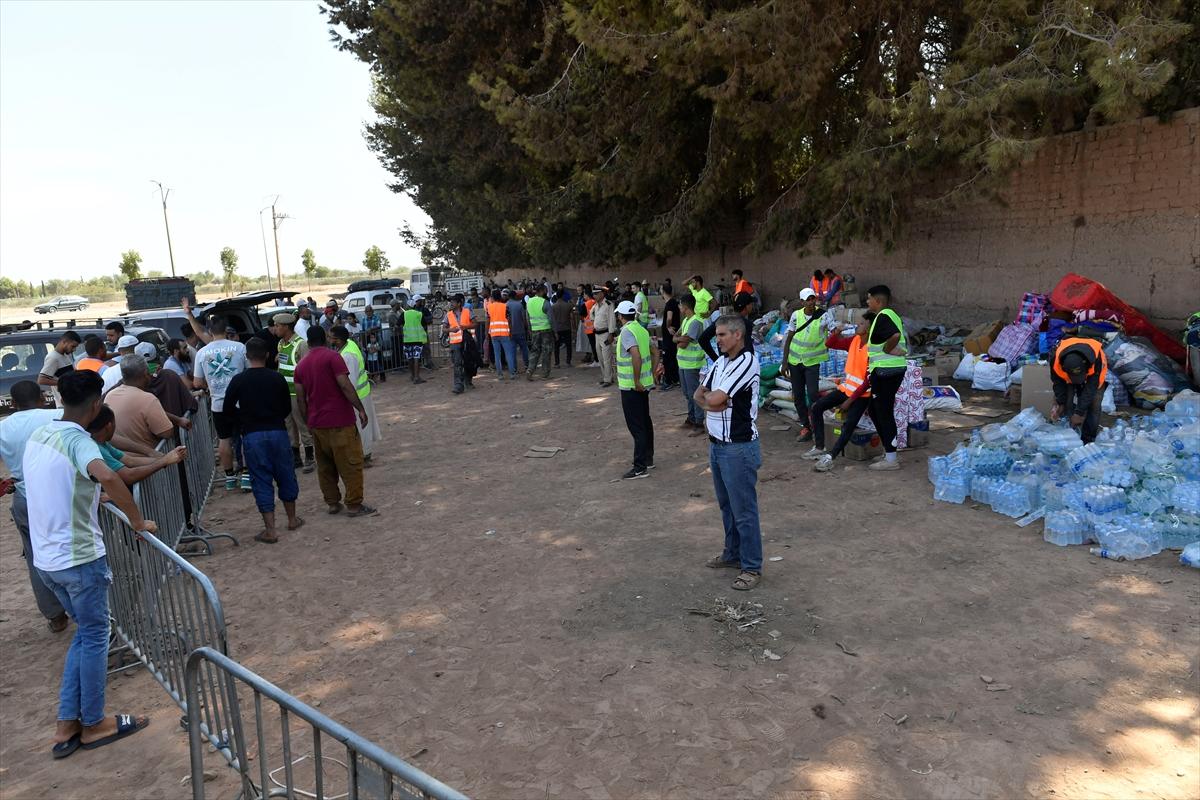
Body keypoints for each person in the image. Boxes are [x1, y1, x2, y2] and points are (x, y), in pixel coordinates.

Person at [24, 369, 154, 757]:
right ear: (97, 404)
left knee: (85, 636)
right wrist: (136, 519)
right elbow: (109, 477)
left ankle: (67, 724)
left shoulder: (41, 434)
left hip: (48, 559)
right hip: (78, 559)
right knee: (96, 636)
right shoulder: (80, 442)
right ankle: (94, 722)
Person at [694, 315, 763, 592]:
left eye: (722, 335)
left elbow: (713, 397)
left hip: (738, 447)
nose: (717, 340)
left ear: (738, 335)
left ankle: (752, 566)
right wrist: (714, 403)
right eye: (717, 335)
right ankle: (732, 554)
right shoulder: (721, 362)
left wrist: (715, 401)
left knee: (744, 510)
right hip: (717, 445)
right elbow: (701, 394)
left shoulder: (747, 362)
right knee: (727, 506)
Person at [0, 380, 68, 632]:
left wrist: (7, 482)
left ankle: (55, 615)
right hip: (61, 495)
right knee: (73, 549)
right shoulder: (58, 415)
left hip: (25, 497)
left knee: (36, 557)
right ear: (42, 397)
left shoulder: (3, 427)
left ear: (13, 404)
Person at [223, 338, 303, 543]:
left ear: (246, 356)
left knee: (261, 479)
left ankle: (271, 530)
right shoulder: (277, 378)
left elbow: (227, 410)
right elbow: (286, 407)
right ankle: (292, 519)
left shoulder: (239, 380)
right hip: (278, 432)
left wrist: (242, 421)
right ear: (267, 355)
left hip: (253, 435)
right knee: (286, 474)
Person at [293, 326, 375, 517]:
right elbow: (345, 385)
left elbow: (300, 398)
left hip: (317, 423)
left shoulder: (301, 366)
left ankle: (332, 503)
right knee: (351, 464)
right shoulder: (333, 357)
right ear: (325, 339)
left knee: (325, 467)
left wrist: (308, 422)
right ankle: (354, 505)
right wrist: (360, 409)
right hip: (340, 421)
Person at [811, 312, 876, 471]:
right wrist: (836, 332)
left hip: (861, 395)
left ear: (868, 328)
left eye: (861, 324)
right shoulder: (853, 341)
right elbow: (830, 343)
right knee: (817, 407)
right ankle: (819, 447)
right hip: (846, 389)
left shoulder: (873, 350)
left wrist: (849, 401)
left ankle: (830, 457)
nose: (857, 325)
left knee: (849, 425)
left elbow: (868, 381)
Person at [193, 315, 249, 489]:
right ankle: (247, 475)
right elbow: (248, 371)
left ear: (209, 331)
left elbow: (196, 382)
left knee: (223, 440)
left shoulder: (202, 352)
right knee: (244, 436)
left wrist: (210, 386)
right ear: (226, 330)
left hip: (218, 403)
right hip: (240, 402)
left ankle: (230, 477)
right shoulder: (239, 347)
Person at [104, 355, 190, 454]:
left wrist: (177, 420)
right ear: (145, 374)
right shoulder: (148, 399)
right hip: (149, 463)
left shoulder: (110, 396)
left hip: (122, 462)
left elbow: (140, 410)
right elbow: (167, 432)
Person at [863, 285, 908, 471]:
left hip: (886, 371)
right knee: (874, 410)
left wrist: (888, 349)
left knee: (883, 412)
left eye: (868, 298)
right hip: (887, 370)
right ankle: (888, 451)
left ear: (878, 300)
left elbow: (895, 335)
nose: (867, 302)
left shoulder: (884, 316)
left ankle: (891, 459)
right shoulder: (890, 315)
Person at [84, 405, 187, 486]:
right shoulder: (97, 448)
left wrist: (168, 457)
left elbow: (130, 461)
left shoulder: (102, 443)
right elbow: (129, 475)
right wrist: (164, 461)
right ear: (109, 426)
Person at [615, 300, 661, 479]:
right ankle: (648, 458)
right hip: (644, 385)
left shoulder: (627, 331)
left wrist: (635, 380)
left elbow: (636, 355)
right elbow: (655, 352)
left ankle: (640, 466)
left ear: (620, 316)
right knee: (645, 421)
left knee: (637, 426)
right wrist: (654, 373)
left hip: (632, 387)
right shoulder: (641, 329)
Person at [781, 288, 829, 442]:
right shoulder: (796, 316)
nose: (811, 302)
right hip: (795, 362)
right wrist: (785, 362)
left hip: (812, 363)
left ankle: (817, 425)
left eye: (812, 299)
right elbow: (789, 338)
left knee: (813, 394)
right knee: (798, 396)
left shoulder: (823, 316)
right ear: (802, 302)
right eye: (807, 300)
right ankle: (806, 427)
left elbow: (834, 332)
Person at [330, 325, 382, 463]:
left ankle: (364, 454)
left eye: (331, 337)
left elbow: (349, 382)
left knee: (361, 426)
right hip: (361, 393)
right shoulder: (349, 345)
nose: (329, 339)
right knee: (362, 424)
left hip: (357, 395)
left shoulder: (347, 356)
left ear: (339, 340)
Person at [273, 313, 314, 472]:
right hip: (285, 394)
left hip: (298, 394)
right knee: (289, 426)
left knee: (302, 424)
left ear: (286, 327)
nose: (275, 328)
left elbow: (307, 370)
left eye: (277, 326)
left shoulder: (301, 344)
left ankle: (310, 457)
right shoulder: (281, 344)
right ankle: (295, 456)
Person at [1051, 337, 1109, 444]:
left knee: (1094, 404)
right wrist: (1060, 403)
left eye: (1079, 377)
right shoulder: (1055, 359)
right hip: (1068, 374)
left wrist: (1079, 413)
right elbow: (1058, 383)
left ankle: (1088, 439)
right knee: (1067, 401)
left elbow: (1090, 389)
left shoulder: (1096, 359)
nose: (1077, 381)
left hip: (1094, 379)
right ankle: (1068, 432)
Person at [137, 342, 198, 423]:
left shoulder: (132, 381)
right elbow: (189, 399)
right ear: (157, 356)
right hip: (173, 425)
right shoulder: (169, 374)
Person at [673, 293, 706, 431]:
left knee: (694, 394)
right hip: (683, 363)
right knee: (687, 393)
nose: (679, 307)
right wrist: (678, 339)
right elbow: (677, 337)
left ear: (685, 306)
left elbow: (684, 341)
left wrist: (678, 339)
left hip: (693, 364)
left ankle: (699, 422)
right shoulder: (686, 320)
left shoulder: (695, 322)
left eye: (680, 304)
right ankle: (691, 418)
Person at [698, 293, 756, 362]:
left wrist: (717, 360)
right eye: (751, 304)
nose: (752, 306)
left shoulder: (722, 320)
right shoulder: (745, 324)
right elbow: (748, 349)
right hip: (740, 366)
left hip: (725, 365)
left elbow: (702, 339)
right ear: (747, 306)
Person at [444, 294, 474, 394]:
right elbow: (444, 329)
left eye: (453, 302)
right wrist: (450, 329)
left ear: (459, 303)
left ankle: (468, 380)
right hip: (455, 343)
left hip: (466, 341)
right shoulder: (448, 314)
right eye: (450, 302)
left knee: (468, 362)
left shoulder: (467, 311)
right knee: (457, 364)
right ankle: (458, 385)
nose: (451, 304)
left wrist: (466, 327)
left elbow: (476, 323)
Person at [525, 284, 554, 380]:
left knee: (534, 351)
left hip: (534, 331)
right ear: (542, 291)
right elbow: (551, 319)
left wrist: (530, 330)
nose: (546, 292)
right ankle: (545, 374)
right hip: (546, 331)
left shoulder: (529, 302)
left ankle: (530, 370)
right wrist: (555, 331)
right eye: (545, 290)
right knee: (546, 351)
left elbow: (527, 318)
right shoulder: (545, 302)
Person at [487, 290, 516, 380]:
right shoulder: (505, 306)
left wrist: (487, 333)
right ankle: (512, 374)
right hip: (504, 333)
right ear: (500, 296)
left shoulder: (489, 307)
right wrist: (510, 331)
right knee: (508, 353)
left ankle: (500, 375)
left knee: (497, 354)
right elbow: (509, 320)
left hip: (494, 334)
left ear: (492, 297)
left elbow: (487, 321)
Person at [591, 286, 616, 387]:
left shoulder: (608, 305)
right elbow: (591, 314)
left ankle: (608, 379)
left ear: (602, 294)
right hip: (597, 334)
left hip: (605, 334)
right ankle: (606, 376)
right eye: (594, 294)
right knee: (600, 357)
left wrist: (611, 333)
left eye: (596, 294)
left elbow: (611, 320)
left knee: (607, 358)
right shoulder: (596, 305)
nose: (594, 296)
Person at [401, 296, 429, 384]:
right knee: (417, 358)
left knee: (410, 358)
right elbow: (424, 325)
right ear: (414, 306)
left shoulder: (404, 314)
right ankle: (417, 377)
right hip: (417, 339)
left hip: (407, 340)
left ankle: (412, 375)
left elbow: (398, 325)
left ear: (408, 306)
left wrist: (403, 331)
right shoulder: (419, 314)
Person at [659, 283, 680, 390]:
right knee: (672, 357)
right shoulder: (672, 302)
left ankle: (668, 381)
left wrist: (667, 327)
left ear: (663, 291)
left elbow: (669, 318)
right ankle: (675, 379)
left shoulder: (670, 303)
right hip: (670, 336)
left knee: (668, 358)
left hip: (669, 336)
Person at [505, 289, 530, 371]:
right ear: (515, 296)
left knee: (512, 351)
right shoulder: (519, 305)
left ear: (508, 297)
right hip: (520, 330)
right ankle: (527, 365)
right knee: (524, 348)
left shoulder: (506, 305)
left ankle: (514, 368)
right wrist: (526, 327)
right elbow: (524, 318)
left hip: (510, 332)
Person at [551, 291, 574, 367]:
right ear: (563, 296)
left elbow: (552, 319)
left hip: (557, 328)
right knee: (568, 345)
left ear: (556, 296)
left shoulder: (553, 306)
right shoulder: (568, 305)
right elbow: (572, 316)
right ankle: (568, 362)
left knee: (556, 346)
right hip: (567, 327)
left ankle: (557, 363)